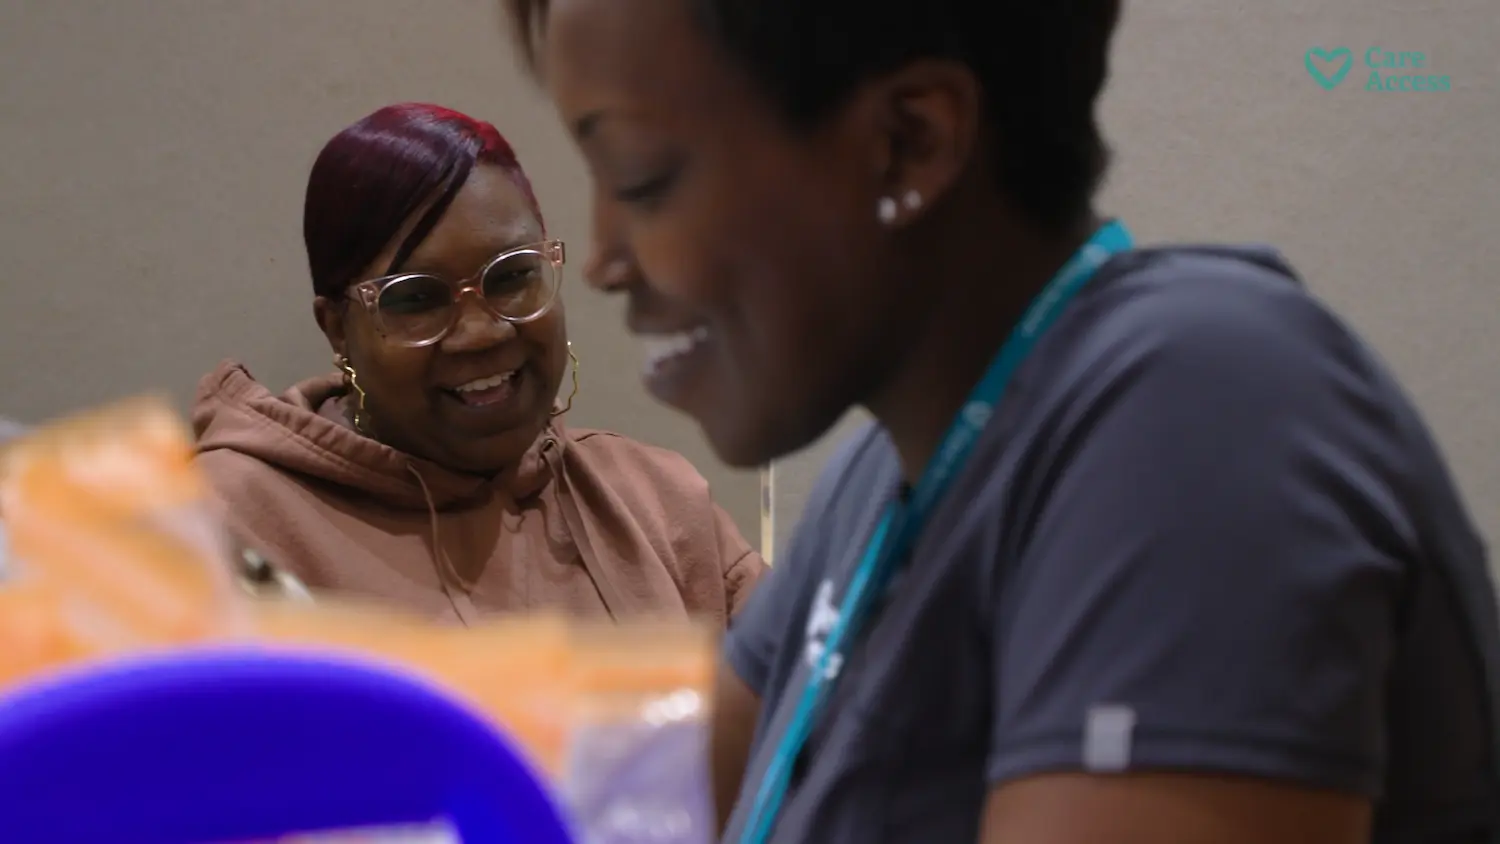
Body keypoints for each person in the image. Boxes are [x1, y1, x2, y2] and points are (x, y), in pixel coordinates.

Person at [504, 1, 1500, 842]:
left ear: (910, 142)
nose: (602, 258)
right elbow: (627, 812)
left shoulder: (1201, 409)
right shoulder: (877, 481)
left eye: (641, 177)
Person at [193, 103, 764, 626]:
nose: (482, 332)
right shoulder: (228, 531)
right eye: (416, 297)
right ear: (338, 328)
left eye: (512, 276)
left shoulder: (661, 506)